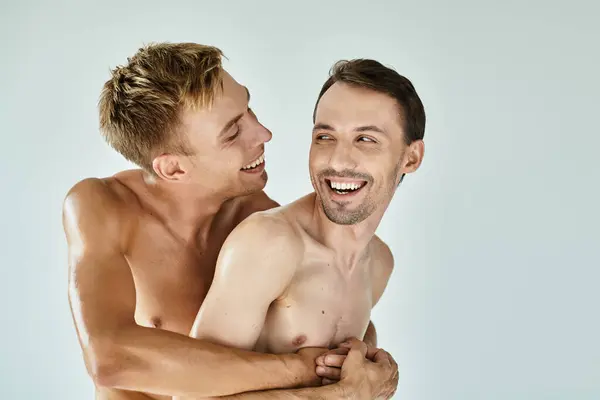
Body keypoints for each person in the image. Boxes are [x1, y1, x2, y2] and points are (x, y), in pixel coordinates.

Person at [63, 42, 398, 400]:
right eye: (233, 132)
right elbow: (111, 359)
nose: (263, 133)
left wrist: (366, 361)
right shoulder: (103, 206)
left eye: (248, 108)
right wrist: (300, 368)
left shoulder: (265, 226)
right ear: (174, 167)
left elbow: (328, 310)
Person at [179, 58, 425, 400]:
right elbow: (190, 396)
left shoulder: (380, 262)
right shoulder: (270, 244)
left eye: (366, 139)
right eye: (325, 136)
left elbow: (352, 375)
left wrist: (375, 372)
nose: (339, 160)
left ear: (411, 158)